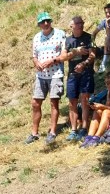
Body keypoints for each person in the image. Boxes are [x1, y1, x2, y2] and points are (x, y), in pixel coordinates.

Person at [27, 12, 65, 145]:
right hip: (41, 75)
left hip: (55, 74)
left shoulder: (60, 34)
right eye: (43, 22)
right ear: (39, 24)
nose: (46, 23)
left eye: (48, 21)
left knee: (53, 103)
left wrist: (52, 61)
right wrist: (36, 63)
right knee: (35, 103)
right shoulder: (37, 37)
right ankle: (34, 132)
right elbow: (34, 55)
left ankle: (53, 131)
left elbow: (64, 55)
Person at [63, 15, 97, 141]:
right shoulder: (67, 41)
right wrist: (76, 52)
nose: (81, 25)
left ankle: (84, 127)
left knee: (84, 99)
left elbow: (93, 55)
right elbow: (63, 57)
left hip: (86, 72)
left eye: (82, 23)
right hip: (72, 74)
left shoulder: (89, 37)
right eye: (77, 23)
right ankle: (73, 129)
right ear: (71, 26)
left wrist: (84, 64)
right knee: (72, 101)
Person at [82, 71, 110, 147]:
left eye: (109, 82)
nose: (107, 84)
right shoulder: (109, 91)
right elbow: (107, 106)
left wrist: (103, 107)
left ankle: (97, 137)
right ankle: (89, 137)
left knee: (106, 112)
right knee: (97, 111)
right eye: (106, 83)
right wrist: (97, 107)